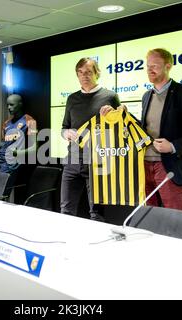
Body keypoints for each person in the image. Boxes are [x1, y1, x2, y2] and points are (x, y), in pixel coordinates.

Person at [140, 48, 182, 210]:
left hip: (170, 167)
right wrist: (123, 116)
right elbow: (147, 129)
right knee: (148, 218)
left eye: (155, 65)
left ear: (168, 66)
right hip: (144, 166)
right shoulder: (146, 96)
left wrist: (173, 146)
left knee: (175, 220)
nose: (150, 70)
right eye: (148, 66)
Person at [61, 57, 120, 221]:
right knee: (66, 210)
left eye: (88, 72)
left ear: (97, 73)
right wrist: (66, 134)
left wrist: (117, 115)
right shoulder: (72, 98)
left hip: (97, 162)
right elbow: (64, 127)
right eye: (80, 72)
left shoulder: (110, 96)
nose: (84, 76)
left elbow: (120, 128)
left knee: (96, 213)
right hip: (72, 161)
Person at [0, 94, 37, 195]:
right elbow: (4, 145)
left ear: (20, 104)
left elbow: (34, 148)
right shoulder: (6, 123)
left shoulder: (30, 121)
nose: (8, 108)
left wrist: (18, 153)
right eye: (7, 105)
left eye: (11, 105)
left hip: (11, 160)